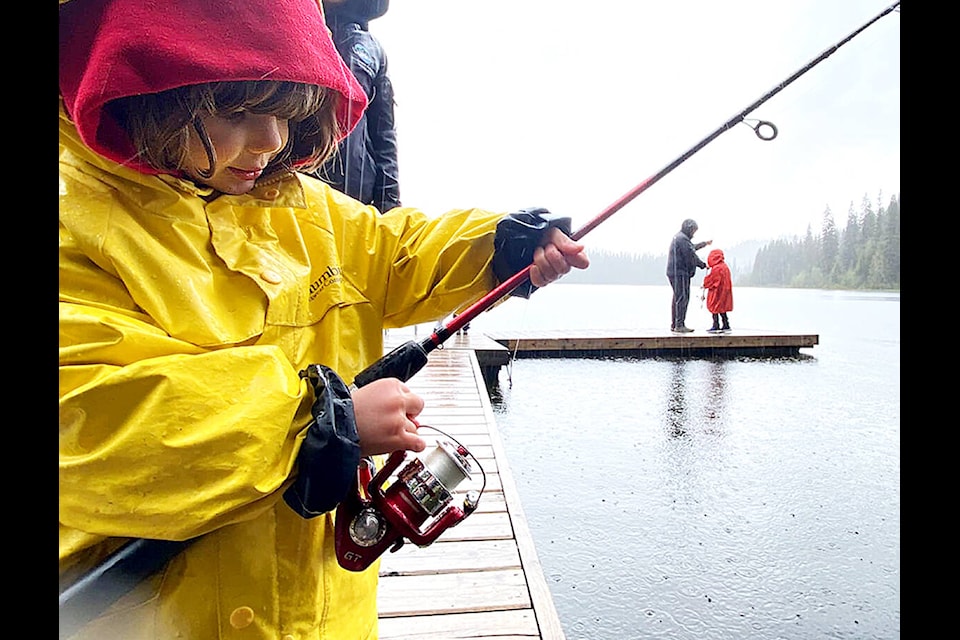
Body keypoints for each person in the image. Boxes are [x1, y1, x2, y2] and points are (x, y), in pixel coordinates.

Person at [58, 1, 589, 639]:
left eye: (287, 113)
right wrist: (312, 424)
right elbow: (87, 414)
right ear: (144, 92)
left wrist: (497, 245)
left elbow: (395, 253)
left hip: (323, 608)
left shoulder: (299, 204)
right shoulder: (77, 216)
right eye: (239, 111)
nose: (273, 141)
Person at [313, 0, 400, 213]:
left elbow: (384, 135)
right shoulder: (297, 32)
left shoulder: (374, 51)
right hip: (296, 193)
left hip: (357, 201)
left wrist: (389, 206)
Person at [665, 218, 711, 333]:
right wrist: (703, 265)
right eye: (693, 231)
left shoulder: (680, 238)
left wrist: (704, 244)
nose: (694, 234)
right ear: (689, 228)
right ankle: (679, 324)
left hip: (674, 272)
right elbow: (691, 255)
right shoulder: (682, 239)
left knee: (677, 297)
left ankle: (675, 324)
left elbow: (691, 248)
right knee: (682, 297)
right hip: (680, 272)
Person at [701, 248, 734, 332]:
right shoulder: (725, 267)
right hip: (725, 292)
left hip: (717, 292)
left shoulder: (716, 268)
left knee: (714, 308)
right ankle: (726, 324)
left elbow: (712, 280)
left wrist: (705, 284)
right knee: (722, 308)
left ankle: (716, 325)